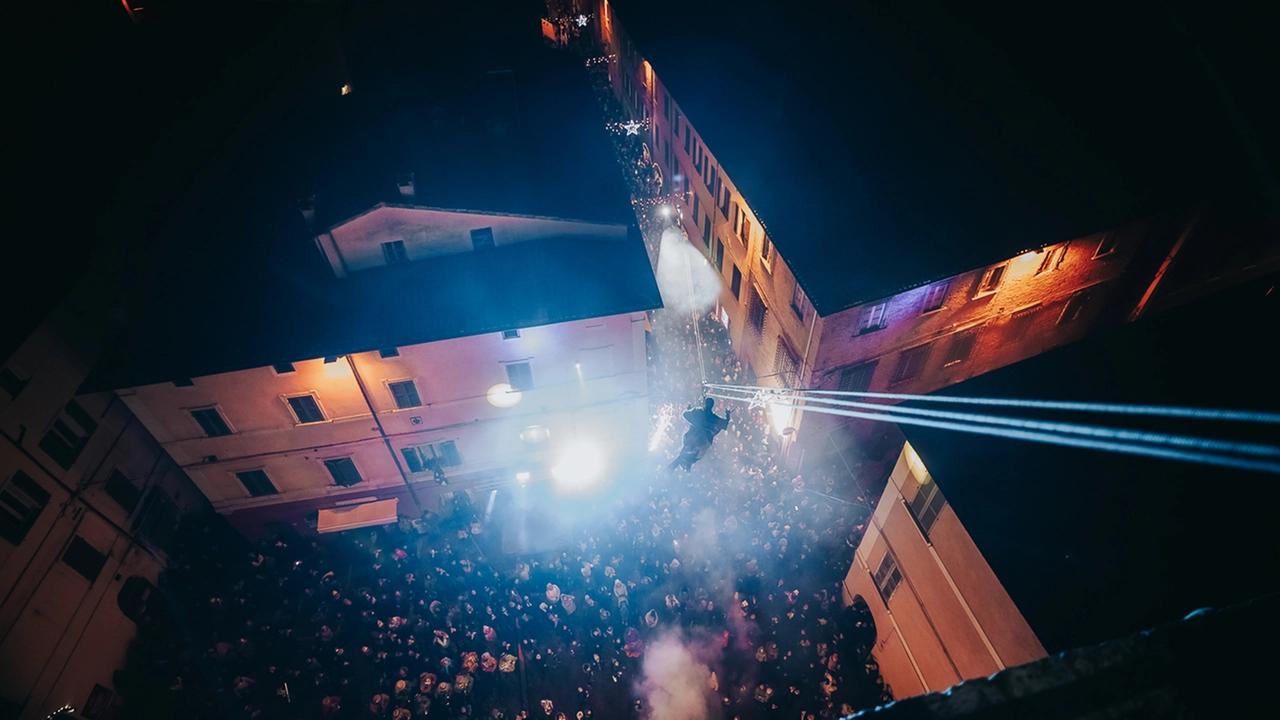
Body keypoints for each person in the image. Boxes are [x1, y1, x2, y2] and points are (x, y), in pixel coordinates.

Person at [669, 397, 730, 471]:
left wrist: (689, 410)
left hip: (697, 437)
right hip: (704, 441)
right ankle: (685, 464)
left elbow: (685, 414)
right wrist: (728, 415)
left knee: (690, 449)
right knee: (694, 452)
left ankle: (684, 464)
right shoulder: (714, 417)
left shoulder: (698, 412)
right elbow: (724, 424)